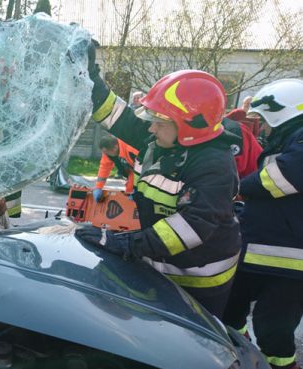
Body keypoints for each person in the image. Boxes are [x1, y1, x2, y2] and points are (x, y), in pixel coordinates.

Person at [76, 46, 241, 319]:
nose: (151, 128)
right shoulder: (160, 141)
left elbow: (189, 228)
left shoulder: (214, 165)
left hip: (200, 277)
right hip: (161, 263)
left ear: (189, 125)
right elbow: (114, 114)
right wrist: (89, 73)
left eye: (160, 121)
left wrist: (125, 244)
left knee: (190, 347)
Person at [222, 78, 303, 369]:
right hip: (256, 254)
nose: (263, 128)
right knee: (229, 313)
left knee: (275, 333)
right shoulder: (287, 141)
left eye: (267, 120)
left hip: (291, 267)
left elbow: (278, 180)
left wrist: (236, 186)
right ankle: (242, 367)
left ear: (283, 112)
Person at [92, 136, 138, 202]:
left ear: (115, 148)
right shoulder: (109, 151)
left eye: (107, 152)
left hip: (146, 173)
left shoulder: (131, 149)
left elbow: (145, 169)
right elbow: (104, 168)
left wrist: (138, 191)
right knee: (130, 191)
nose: (106, 154)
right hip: (132, 172)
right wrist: (98, 187)